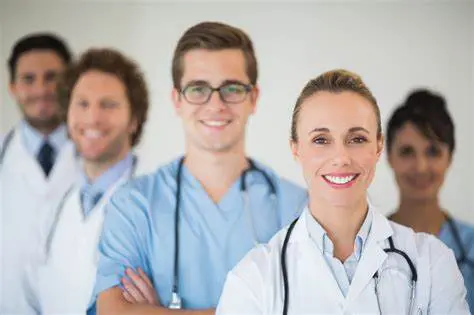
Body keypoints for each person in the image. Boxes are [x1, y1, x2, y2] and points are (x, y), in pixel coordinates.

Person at [93, 21, 307, 314]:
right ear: (176, 100)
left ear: (253, 98)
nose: (216, 104)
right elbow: (113, 311)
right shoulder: (134, 204)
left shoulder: (296, 207)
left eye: (232, 88)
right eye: (198, 89)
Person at [216, 69, 470, 314]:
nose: (341, 157)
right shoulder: (251, 280)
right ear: (295, 148)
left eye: (357, 139)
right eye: (321, 140)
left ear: (378, 146)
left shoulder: (431, 263)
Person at [21, 48, 151, 314]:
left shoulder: (152, 205)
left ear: (134, 120)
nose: (92, 118)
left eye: (108, 105)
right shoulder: (57, 205)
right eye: (82, 103)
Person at [0, 33, 77, 314]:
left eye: (51, 77)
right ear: (12, 87)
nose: (41, 89)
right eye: (28, 79)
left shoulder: (98, 156)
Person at [386, 89, 474, 313]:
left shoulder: (471, 247)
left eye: (433, 152)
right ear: (388, 156)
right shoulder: (363, 246)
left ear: (450, 157)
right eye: (407, 152)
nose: (421, 167)